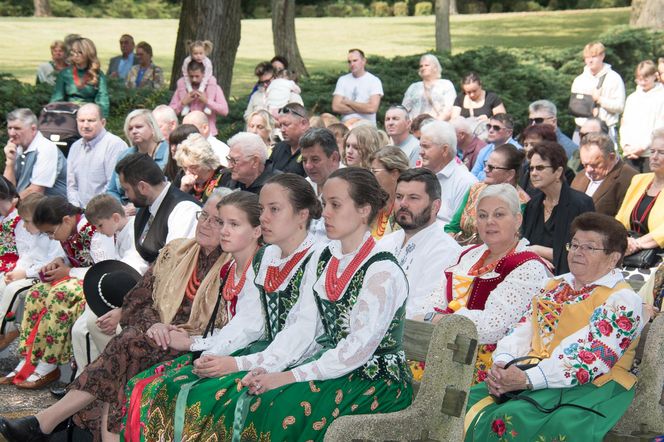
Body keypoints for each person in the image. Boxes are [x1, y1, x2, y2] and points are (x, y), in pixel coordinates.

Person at [0, 194, 230, 441]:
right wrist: (154, 325)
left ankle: (44, 423)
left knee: (127, 346)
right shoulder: (175, 252)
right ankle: (51, 425)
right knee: (129, 348)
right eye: (203, 215)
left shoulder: (234, 266)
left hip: (194, 345)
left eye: (217, 221)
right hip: (151, 335)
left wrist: (177, 335)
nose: (205, 224)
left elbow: (229, 325)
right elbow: (137, 298)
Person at [122, 174, 322, 440]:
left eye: (274, 209)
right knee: (162, 386)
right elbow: (250, 321)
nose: (264, 218)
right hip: (259, 348)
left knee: (206, 398)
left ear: (302, 215)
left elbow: (303, 334)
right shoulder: (269, 256)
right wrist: (208, 352)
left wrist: (236, 363)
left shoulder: (319, 258)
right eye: (262, 210)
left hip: (297, 357)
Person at [465, 213, 645, 442]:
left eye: (589, 248)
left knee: (510, 417)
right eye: (575, 245)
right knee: (466, 401)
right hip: (533, 373)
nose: (577, 252)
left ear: (613, 258)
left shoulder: (622, 299)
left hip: (592, 385)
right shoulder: (553, 285)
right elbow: (522, 329)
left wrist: (528, 379)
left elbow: (589, 359)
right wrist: (503, 365)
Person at [424, 184, 550, 383]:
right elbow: (432, 303)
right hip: (441, 348)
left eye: (499, 215)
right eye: (482, 216)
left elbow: (493, 327)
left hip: (483, 363)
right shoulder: (467, 255)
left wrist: (438, 319)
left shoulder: (528, 266)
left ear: (517, 220)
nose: (489, 222)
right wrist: (430, 317)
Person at [1, 196, 115, 390]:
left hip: (96, 284)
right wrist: (60, 262)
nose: (51, 238)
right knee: (36, 293)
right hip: (77, 276)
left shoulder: (93, 231)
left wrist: (69, 271)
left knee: (59, 293)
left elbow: (107, 269)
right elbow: (72, 257)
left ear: (67, 220)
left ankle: (49, 362)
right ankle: (29, 359)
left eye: (51, 232)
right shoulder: (68, 230)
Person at [70, 194, 148, 374]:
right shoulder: (120, 230)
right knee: (79, 329)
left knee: (88, 329)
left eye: (100, 225)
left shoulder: (134, 230)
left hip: (127, 291)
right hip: (117, 290)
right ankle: (85, 377)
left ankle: (98, 377)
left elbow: (134, 267)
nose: (98, 230)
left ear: (114, 217)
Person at [380, 168, 460, 318]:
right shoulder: (386, 243)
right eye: (399, 196)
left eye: (413, 198)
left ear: (435, 206)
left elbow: (420, 311)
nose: (403, 204)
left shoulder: (445, 251)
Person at [0, 193, 63, 352]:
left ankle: (2, 330)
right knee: (3, 282)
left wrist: (26, 273)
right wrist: (17, 271)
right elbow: (28, 255)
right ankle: (9, 328)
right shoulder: (36, 235)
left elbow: (50, 263)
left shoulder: (54, 236)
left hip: (44, 277)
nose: (23, 226)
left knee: (13, 290)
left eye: (27, 221)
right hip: (30, 273)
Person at [522, 141, 595, 275]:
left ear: (558, 171)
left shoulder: (581, 204)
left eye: (540, 168)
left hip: (569, 278)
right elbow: (523, 245)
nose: (533, 173)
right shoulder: (533, 205)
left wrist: (538, 251)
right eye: (531, 168)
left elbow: (586, 253)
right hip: (531, 275)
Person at [116, 153, 200, 265]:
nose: (126, 195)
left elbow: (174, 262)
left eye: (127, 189)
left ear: (143, 187)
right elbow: (138, 255)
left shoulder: (184, 210)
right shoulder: (146, 207)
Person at [446, 144, 529, 244]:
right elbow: (452, 227)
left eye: (491, 167)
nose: (485, 170)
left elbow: (512, 240)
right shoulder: (475, 189)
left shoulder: (522, 202)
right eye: (486, 164)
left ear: (510, 174)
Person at [615, 128, 664, 265]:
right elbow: (620, 218)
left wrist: (637, 244)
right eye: (652, 151)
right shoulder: (639, 180)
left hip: (658, 261)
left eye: (661, 152)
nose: (654, 157)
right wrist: (623, 240)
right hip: (628, 254)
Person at [66, 103, 128, 208]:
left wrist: (92, 210)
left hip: (106, 211)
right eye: (81, 121)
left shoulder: (114, 145)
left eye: (91, 120)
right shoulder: (75, 147)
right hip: (80, 212)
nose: (85, 125)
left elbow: (112, 186)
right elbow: (71, 186)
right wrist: (76, 209)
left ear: (103, 122)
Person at [106, 109, 169, 208]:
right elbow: (112, 191)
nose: (134, 131)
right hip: (124, 212)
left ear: (152, 128)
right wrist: (121, 208)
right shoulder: (124, 156)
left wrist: (137, 209)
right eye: (130, 128)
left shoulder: (168, 153)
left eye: (139, 127)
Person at [419, 120, 478, 224]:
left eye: (426, 146)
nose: (421, 152)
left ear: (445, 150)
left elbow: (460, 230)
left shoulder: (466, 182)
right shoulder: (420, 176)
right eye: (421, 146)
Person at [3, 108, 67, 198]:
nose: (12, 133)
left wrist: (9, 206)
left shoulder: (45, 148)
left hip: (52, 209)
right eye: (10, 128)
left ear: (33, 129)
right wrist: (10, 162)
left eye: (17, 128)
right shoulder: (16, 148)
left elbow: (36, 191)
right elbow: (7, 190)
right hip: (26, 208)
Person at [571, 132, 637, 216]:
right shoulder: (580, 176)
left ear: (611, 157)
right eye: (585, 164)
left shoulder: (629, 179)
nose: (588, 170)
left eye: (595, 165)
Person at [570, 41, 625, 142]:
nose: (590, 61)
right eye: (587, 57)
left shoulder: (614, 78)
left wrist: (600, 100)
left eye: (593, 56)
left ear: (602, 56)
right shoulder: (579, 80)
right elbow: (574, 108)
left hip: (605, 130)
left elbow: (620, 107)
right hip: (581, 130)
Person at [620, 60, 664, 173]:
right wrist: (626, 145)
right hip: (630, 153)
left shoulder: (661, 97)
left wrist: (642, 147)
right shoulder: (632, 98)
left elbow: (659, 127)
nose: (643, 83)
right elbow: (625, 124)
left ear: (655, 76)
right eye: (640, 79)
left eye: (646, 79)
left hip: (650, 153)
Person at [51, 37, 109, 117]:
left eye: (79, 52)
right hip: (69, 114)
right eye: (73, 52)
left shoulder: (97, 74)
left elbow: (103, 99)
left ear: (88, 53)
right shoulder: (65, 73)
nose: (75, 55)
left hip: (90, 114)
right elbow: (57, 98)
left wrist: (103, 117)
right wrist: (52, 114)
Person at [169, 60, 229, 137]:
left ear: (203, 74)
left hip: (209, 133)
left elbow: (225, 111)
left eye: (197, 76)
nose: (194, 79)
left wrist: (207, 101)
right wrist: (183, 103)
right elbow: (170, 113)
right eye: (191, 76)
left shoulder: (214, 88)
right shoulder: (183, 89)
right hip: (187, 133)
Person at [332, 48, 383, 125]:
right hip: (346, 124)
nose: (352, 64)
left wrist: (348, 102)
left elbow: (372, 108)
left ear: (364, 61)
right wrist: (363, 108)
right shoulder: (342, 80)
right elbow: (335, 107)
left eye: (355, 60)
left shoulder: (374, 81)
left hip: (366, 125)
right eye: (349, 62)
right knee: (325, 117)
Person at [518, 123, 571, 198]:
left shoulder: (567, 172)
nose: (528, 149)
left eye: (533, 144)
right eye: (526, 145)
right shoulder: (525, 168)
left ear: (548, 145)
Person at [401, 53, 456, 121]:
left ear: (435, 67)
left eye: (426, 65)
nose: (423, 68)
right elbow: (404, 110)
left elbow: (448, 109)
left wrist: (436, 124)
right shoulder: (413, 87)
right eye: (421, 66)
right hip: (414, 128)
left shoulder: (446, 84)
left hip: (438, 126)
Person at [369, 146, 409, 239]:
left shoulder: (407, 207)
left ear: (394, 174)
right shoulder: (372, 203)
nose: (370, 176)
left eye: (374, 171)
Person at [174, 133, 225, 203]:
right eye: (185, 168)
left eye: (193, 167)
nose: (187, 173)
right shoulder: (181, 175)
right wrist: (183, 190)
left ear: (207, 163)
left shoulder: (225, 177)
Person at [471, 113, 522, 181]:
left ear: (509, 132)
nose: (491, 130)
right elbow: (473, 176)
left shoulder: (517, 151)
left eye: (496, 128)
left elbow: (515, 179)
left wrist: (482, 174)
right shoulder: (484, 150)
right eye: (489, 126)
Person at [270, 103, 309, 176]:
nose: (282, 130)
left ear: (303, 124)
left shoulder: (314, 148)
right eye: (280, 125)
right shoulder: (278, 148)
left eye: (286, 124)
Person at [179, 40, 215, 116]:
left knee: (212, 80)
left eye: (201, 53)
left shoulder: (207, 62)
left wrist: (200, 90)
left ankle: (208, 106)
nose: (198, 56)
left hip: (206, 79)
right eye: (195, 54)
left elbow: (206, 77)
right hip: (188, 80)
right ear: (191, 53)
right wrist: (190, 90)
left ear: (204, 52)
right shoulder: (187, 61)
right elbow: (185, 75)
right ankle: (185, 106)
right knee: (181, 82)